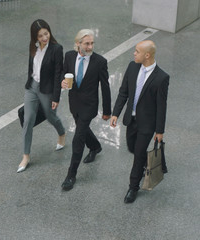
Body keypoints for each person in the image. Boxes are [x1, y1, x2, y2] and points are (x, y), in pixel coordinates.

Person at [110, 40, 169, 203]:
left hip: (147, 124)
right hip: (131, 119)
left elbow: (161, 106)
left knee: (138, 154)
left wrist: (159, 130)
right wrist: (116, 113)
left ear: (147, 55)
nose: (134, 54)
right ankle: (143, 163)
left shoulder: (161, 78)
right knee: (132, 148)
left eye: (137, 51)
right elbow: (123, 92)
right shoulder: (132, 66)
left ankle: (133, 187)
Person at [60, 29, 111, 190]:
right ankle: (95, 146)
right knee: (83, 129)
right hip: (74, 103)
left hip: (89, 105)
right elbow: (63, 74)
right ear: (78, 44)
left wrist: (107, 110)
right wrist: (62, 82)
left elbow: (105, 87)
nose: (90, 47)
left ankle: (71, 175)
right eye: (86, 43)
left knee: (78, 137)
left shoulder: (100, 62)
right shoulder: (69, 56)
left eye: (92, 43)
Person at [17, 19, 66, 173]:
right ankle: (26, 155)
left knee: (51, 117)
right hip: (32, 87)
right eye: (40, 36)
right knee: (28, 119)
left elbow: (58, 74)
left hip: (47, 89)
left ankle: (62, 133)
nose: (45, 38)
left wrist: (56, 97)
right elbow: (31, 67)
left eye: (46, 33)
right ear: (35, 37)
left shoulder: (56, 49)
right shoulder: (33, 47)